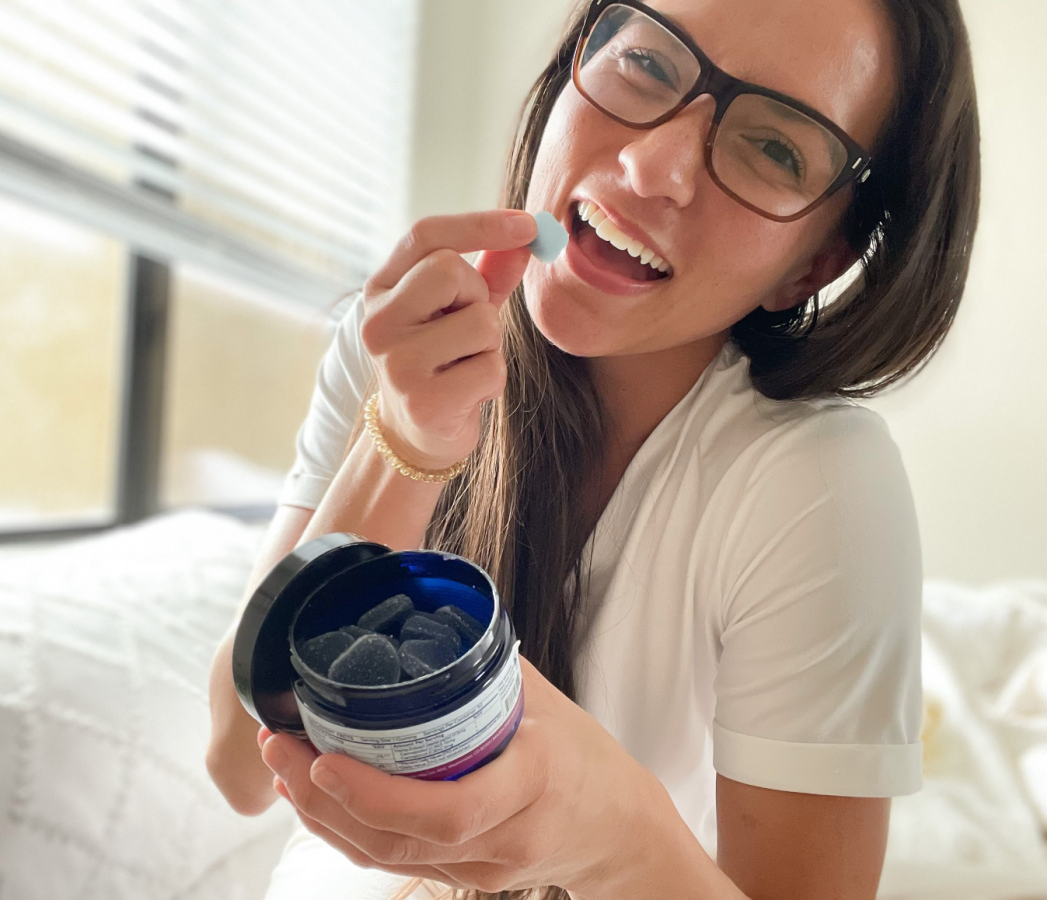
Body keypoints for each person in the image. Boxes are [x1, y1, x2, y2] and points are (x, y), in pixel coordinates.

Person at [206, 0, 981, 897]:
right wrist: (406, 445)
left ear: (815, 265)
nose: (652, 166)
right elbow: (236, 761)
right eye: (648, 65)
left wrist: (611, 834)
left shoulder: (817, 484)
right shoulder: (397, 342)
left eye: (773, 148)